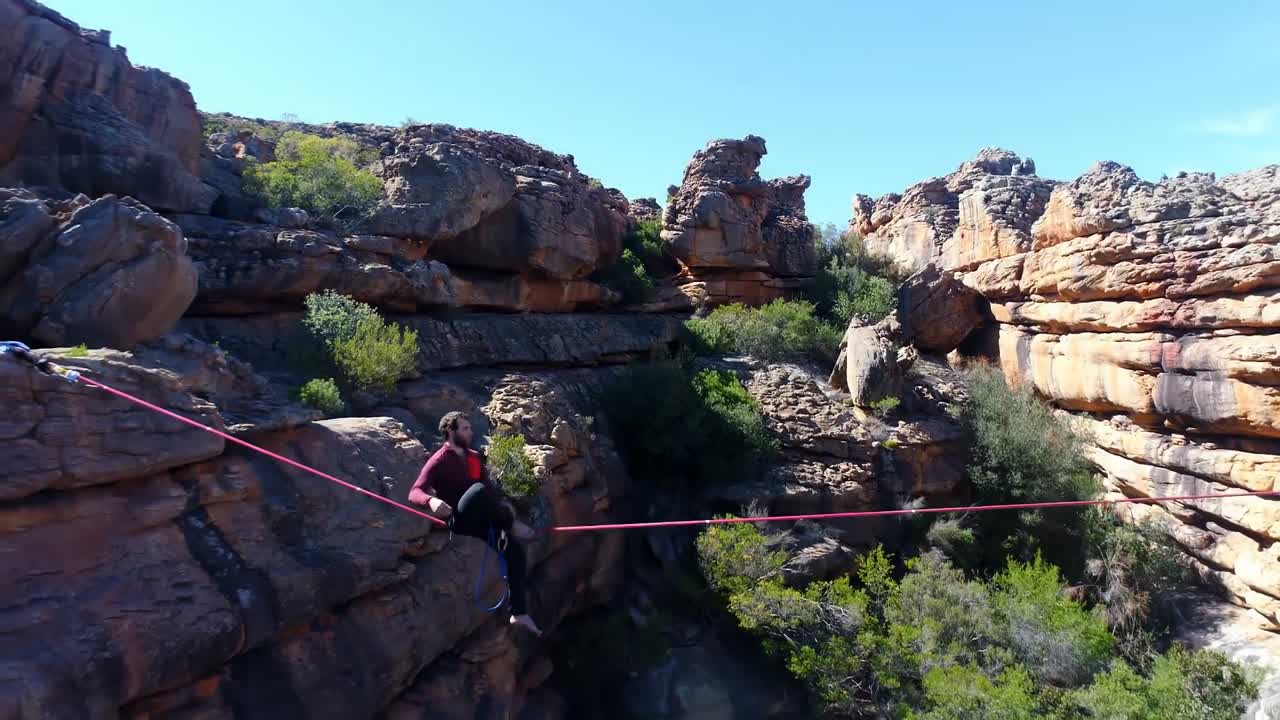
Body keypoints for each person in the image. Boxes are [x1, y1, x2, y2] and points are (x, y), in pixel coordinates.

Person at [409, 411, 542, 636]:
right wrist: (430, 501)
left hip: (481, 521)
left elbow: (488, 490)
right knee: (478, 491)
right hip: (460, 519)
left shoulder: (473, 457)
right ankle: (511, 524)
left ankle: (518, 612)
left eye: (470, 428)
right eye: (465, 428)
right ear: (451, 432)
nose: (471, 432)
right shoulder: (440, 459)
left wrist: (501, 508)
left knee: (515, 552)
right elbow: (415, 491)